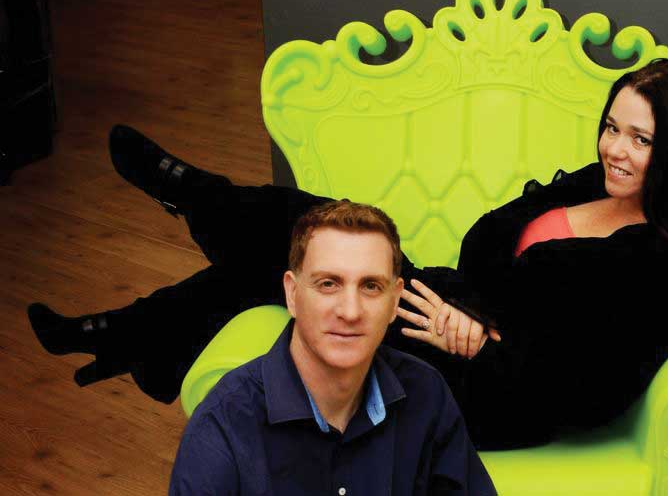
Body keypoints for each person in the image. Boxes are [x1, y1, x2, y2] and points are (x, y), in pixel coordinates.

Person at [28, 59, 668, 449]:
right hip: (445, 305)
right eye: (612, 127)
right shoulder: (600, 182)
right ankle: (132, 316)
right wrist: (474, 307)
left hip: (485, 392)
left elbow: (588, 394)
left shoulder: (666, 267)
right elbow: (486, 239)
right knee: (308, 246)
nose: (616, 149)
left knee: (314, 248)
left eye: (641, 139)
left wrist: (480, 346)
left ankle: (176, 233)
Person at [168, 200, 495, 495]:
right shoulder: (222, 429)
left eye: (371, 286)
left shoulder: (427, 394)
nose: (350, 312)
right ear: (292, 294)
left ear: (394, 301)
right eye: (328, 284)